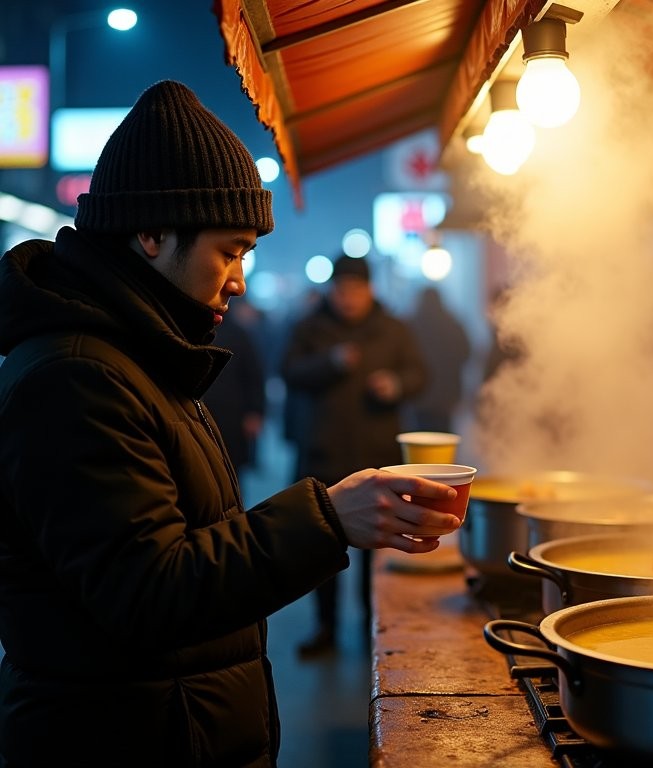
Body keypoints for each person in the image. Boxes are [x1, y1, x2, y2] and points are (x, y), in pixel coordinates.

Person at [0, 80, 460, 768]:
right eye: (230, 251)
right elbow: (151, 592)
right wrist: (327, 519)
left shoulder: (139, 354)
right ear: (152, 235)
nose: (240, 278)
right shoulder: (78, 375)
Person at [281, 254, 428, 658]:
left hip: (375, 456)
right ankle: (325, 628)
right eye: (341, 289)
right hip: (323, 455)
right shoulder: (310, 328)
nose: (348, 298)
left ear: (369, 290)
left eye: (356, 290)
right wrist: (330, 362)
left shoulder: (392, 329)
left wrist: (396, 384)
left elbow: (419, 374)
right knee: (322, 545)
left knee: (377, 549)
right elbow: (290, 371)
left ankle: (370, 630)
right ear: (331, 290)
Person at [203, 300, 267, 475]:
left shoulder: (238, 334)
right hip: (202, 412)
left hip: (230, 414)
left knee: (230, 470)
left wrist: (255, 411)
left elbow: (254, 376)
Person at [406, 286, 471, 433]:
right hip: (446, 395)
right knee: (444, 437)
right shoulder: (452, 324)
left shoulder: (411, 324)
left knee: (420, 437)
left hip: (419, 396)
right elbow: (466, 353)